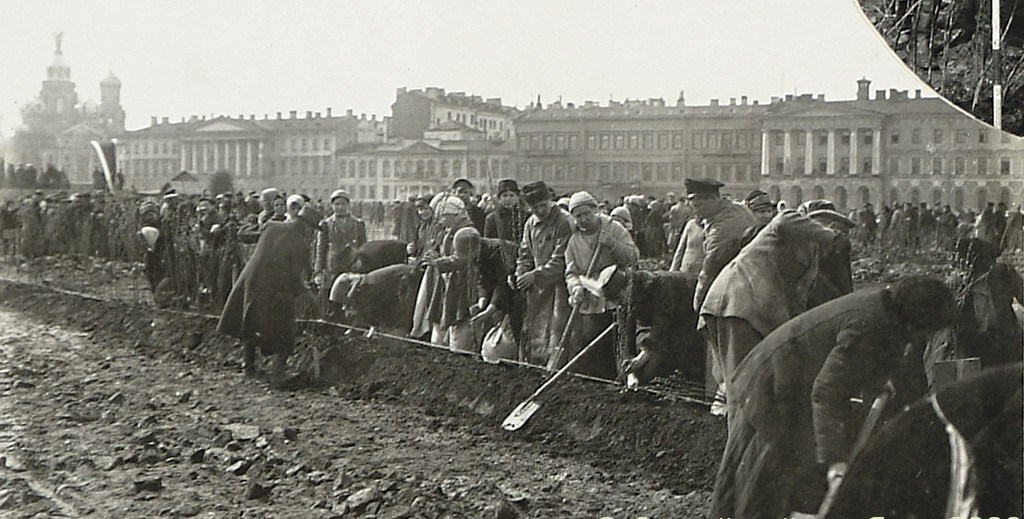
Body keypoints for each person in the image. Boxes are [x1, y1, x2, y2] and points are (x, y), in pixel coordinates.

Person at [709, 276, 959, 519]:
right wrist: (835, 462)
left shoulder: (884, 305)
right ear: (915, 321)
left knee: (774, 474)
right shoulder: (868, 324)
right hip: (772, 387)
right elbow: (827, 392)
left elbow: (878, 353)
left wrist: (880, 382)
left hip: (787, 384)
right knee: (762, 478)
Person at [700, 209, 836, 413]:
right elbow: (783, 219)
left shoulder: (809, 255)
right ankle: (735, 440)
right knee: (743, 386)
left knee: (750, 385)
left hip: (749, 310)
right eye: (830, 228)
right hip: (737, 305)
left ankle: (735, 434)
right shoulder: (784, 228)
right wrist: (831, 236)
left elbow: (797, 300)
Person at [217, 204, 323, 384]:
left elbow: (244, 234)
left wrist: (248, 224)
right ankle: (278, 373)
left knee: (251, 321)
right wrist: (307, 294)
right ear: (307, 226)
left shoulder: (273, 225)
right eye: (313, 230)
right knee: (284, 328)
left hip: (251, 280)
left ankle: (248, 367)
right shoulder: (301, 244)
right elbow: (293, 274)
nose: (312, 234)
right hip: (275, 288)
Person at [558, 191, 639, 378]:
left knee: (621, 346)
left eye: (587, 213)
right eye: (578, 216)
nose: (583, 219)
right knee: (594, 352)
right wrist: (576, 287)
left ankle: (624, 384)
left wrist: (612, 244)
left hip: (617, 299)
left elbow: (633, 257)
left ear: (595, 210)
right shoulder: (573, 242)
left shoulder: (614, 229)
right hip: (591, 303)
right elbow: (571, 273)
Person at [516, 181, 573, 366]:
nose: (540, 210)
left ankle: (556, 369)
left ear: (550, 200)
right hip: (537, 286)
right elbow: (524, 253)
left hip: (559, 285)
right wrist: (521, 273)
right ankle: (534, 367)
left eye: (543, 205)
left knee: (557, 329)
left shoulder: (564, 222)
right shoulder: (531, 223)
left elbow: (561, 259)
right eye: (535, 208)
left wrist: (535, 275)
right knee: (535, 330)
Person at [688, 178, 757, 313]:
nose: (695, 211)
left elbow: (709, 271)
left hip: (738, 287)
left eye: (699, 205)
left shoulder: (722, 228)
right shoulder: (737, 208)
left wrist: (697, 305)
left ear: (713, 199)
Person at [314, 190, 367, 307]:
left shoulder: (358, 224)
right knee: (331, 301)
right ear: (332, 206)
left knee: (351, 299)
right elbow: (320, 249)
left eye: (343, 204)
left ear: (348, 205)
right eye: (337, 204)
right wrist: (318, 271)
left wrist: (362, 264)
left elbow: (364, 247)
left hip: (352, 266)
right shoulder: (325, 224)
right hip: (332, 267)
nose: (340, 207)